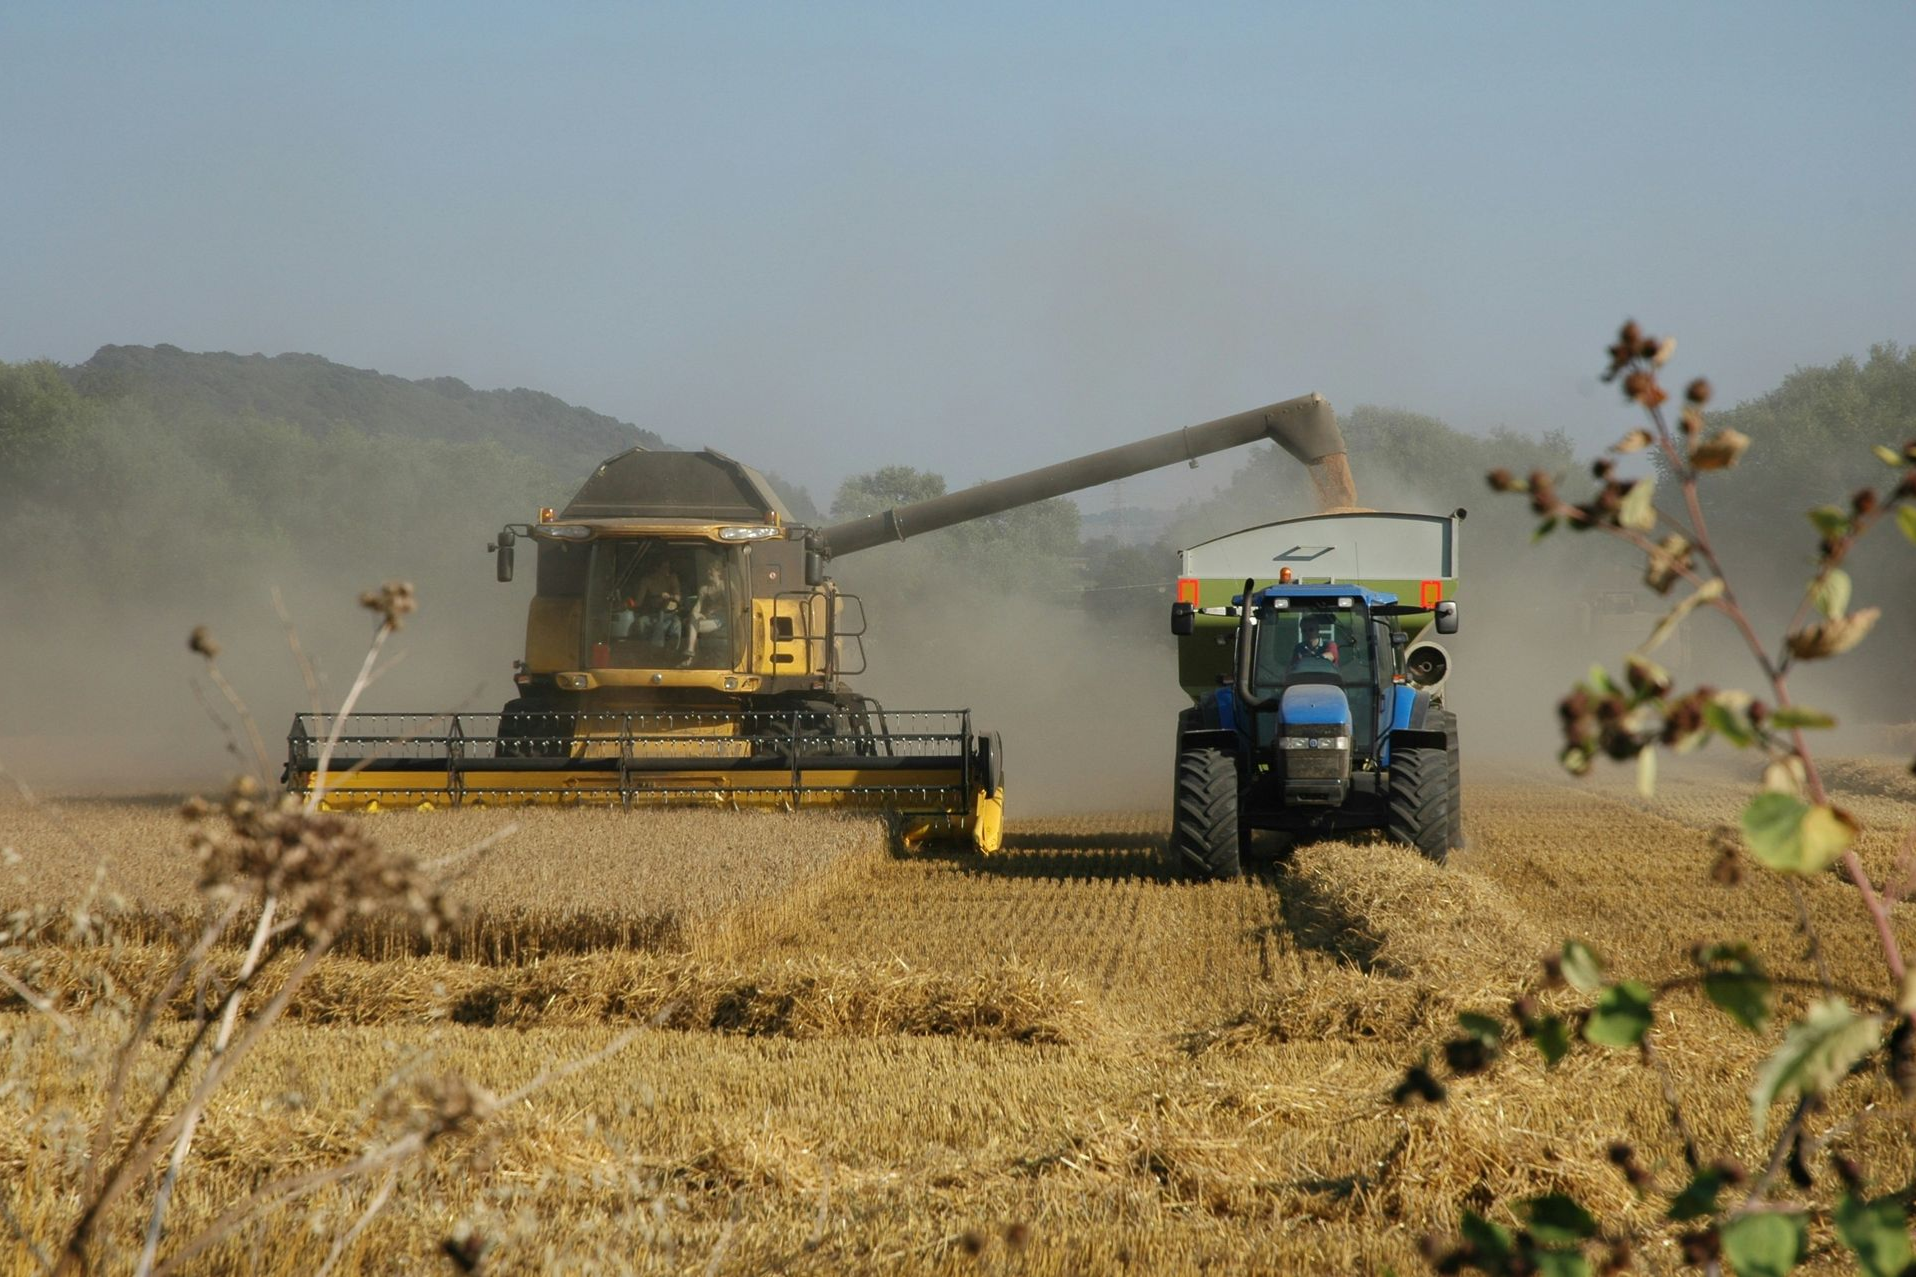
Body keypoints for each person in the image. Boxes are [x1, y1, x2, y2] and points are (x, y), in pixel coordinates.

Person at [678, 562, 730, 666]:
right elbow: (697, 606)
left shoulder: (726, 586)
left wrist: (720, 608)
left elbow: (735, 604)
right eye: (707, 570)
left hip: (721, 619)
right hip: (708, 618)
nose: (708, 572)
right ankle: (690, 651)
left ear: (719, 572)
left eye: (711, 570)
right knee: (693, 620)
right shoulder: (704, 589)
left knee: (693, 627)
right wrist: (697, 614)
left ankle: (690, 658)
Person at [632, 559, 684, 648]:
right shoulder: (647, 580)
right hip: (651, 616)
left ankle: (672, 653)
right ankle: (647, 651)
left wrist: (670, 597)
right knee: (640, 622)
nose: (668, 570)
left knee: (677, 624)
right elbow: (638, 602)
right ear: (656, 568)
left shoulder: (672, 578)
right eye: (664, 567)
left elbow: (678, 598)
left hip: (669, 616)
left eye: (669, 567)